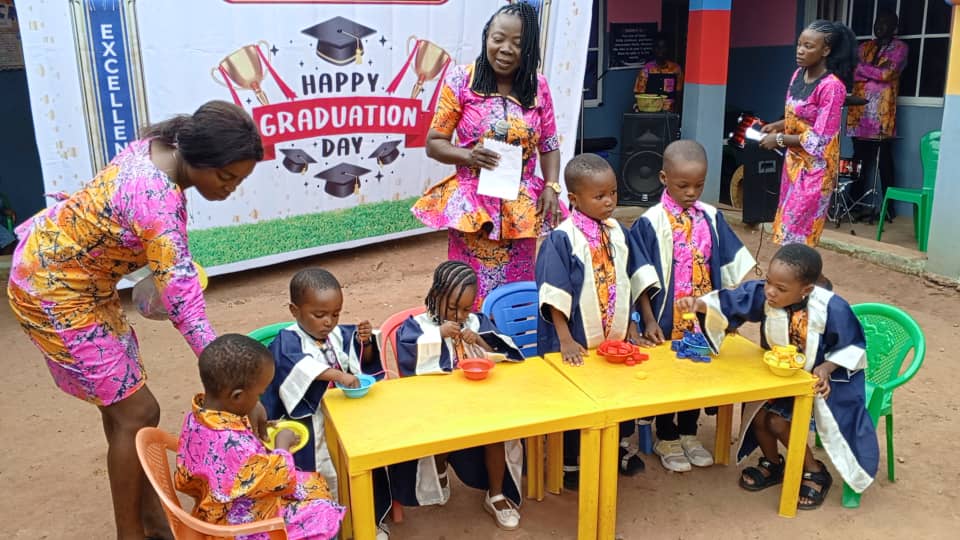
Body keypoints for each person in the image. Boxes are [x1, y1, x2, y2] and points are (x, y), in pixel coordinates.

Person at [6, 100, 263, 540]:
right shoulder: (157, 200)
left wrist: (148, 271)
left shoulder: (161, 147)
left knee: (124, 405)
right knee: (138, 410)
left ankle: (153, 522)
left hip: (82, 281)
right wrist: (236, 382)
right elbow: (185, 305)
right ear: (198, 157)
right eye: (225, 177)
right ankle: (132, 533)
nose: (230, 189)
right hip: (53, 290)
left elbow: (132, 232)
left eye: (238, 181)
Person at [677, 244, 879, 510]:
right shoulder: (766, 295)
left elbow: (852, 347)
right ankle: (773, 463)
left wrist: (826, 368)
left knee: (776, 421)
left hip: (822, 384)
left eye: (780, 288)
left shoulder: (832, 308)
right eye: (768, 282)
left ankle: (814, 470)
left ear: (806, 289)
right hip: (780, 378)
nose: (770, 291)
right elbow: (732, 301)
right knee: (757, 415)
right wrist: (699, 304)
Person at [413, 2, 562, 310]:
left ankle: (512, 333)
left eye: (518, 43)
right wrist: (469, 156)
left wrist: (551, 185)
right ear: (486, 37)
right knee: (467, 291)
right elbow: (435, 143)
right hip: (474, 208)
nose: (506, 49)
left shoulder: (538, 86)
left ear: (529, 47)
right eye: (498, 38)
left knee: (517, 292)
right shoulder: (460, 80)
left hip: (521, 210)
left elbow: (549, 144)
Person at [630, 140, 756, 473]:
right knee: (668, 376)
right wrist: (647, 320)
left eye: (699, 185)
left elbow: (727, 267)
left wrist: (728, 313)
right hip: (665, 318)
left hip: (701, 317)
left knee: (697, 371)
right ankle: (666, 435)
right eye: (683, 185)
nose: (691, 192)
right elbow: (639, 276)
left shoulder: (711, 217)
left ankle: (689, 432)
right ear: (664, 178)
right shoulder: (651, 222)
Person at [536, 153, 656, 488]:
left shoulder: (619, 232)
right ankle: (571, 461)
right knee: (576, 398)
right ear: (574, 199)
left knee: (618, 390)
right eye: (599, 196)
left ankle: (616, 447)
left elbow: (632, 279)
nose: (609, 202)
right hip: (576, 337)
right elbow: (554, 292)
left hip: (614, 337)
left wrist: (635, 323)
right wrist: (565, 339)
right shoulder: (562, 239)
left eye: (613, 193)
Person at [392, 261, 525, 530]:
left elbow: (506, 353)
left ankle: (496, 495)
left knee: (497, 430)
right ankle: (439, 470)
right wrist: (437, 335)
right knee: (439, 432)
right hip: (438, 403)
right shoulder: (417, 326)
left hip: (480, 401)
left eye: (466, 308)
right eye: (453, 308)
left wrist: (480, 340)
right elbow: (407, 355)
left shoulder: (476, 322)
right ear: (436, 295)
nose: (461, 315)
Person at [175, 334, 345, 539]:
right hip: (236, 524)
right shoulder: (234, 446)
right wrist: (282, 444)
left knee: (313, 483)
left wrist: (250, 411)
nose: (260, 400)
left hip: (214, 502)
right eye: (258, 394)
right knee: (323, 511)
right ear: (237, 396)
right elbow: (279, 479)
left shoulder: (197, 417)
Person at [760, 20, 858, 247]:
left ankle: (800, 270)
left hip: (815, 171)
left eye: (808, 46)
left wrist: (779, 139)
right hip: (793, 164)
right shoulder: (798, 75)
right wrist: (779, 125)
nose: (800, 50)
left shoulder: (832, 87)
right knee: (785, 229)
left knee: (798, 235)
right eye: (799, 44)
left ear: (826, 50)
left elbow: (820, 139)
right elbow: (800, 115)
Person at [846, 9, 908, 222]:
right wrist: (873, 72)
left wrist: (863, 70)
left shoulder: (900, 48)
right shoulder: (864, 47)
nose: (879, 26)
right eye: (877, 22)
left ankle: (888, 208)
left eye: (885, 23)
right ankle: (853, 203)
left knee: (885, 163)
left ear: (894, 27)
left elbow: (888, 73)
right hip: (859, 115)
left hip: (882, 116)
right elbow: (852, 71)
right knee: (858, 162)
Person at [633, 33, 684, 113]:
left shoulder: (675, 69)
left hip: (670, 112)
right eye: (658, 47)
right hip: (650, 110)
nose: (660, 51)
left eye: (663, 47)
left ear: (668, 49)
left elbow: (678, 93)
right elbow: (639, 93)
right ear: (654, 49)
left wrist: (677, 114)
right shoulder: (647, 69)